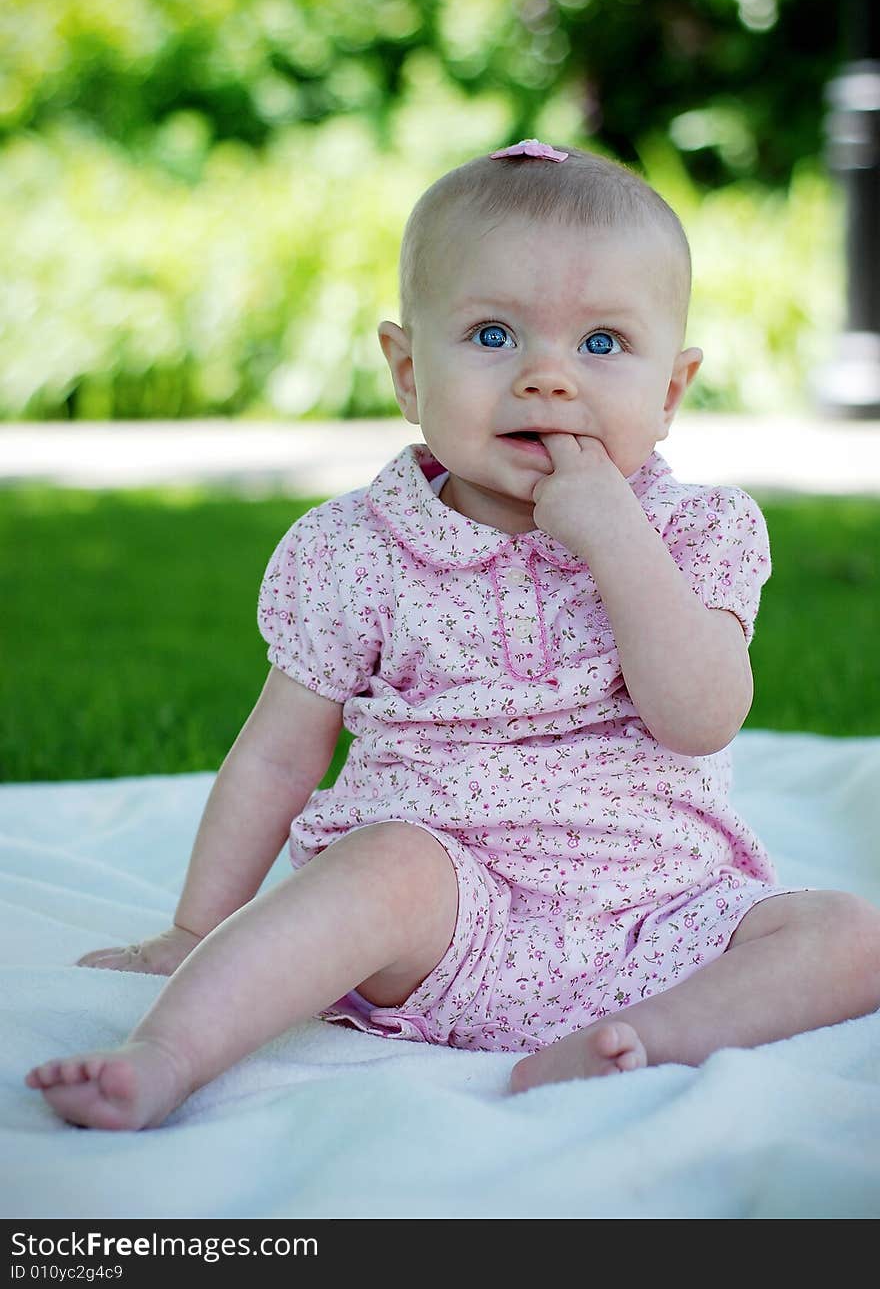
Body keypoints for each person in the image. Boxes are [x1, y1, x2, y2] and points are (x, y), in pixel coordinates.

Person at [26, 139, 880, 1129]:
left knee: (846, 932)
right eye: (491, 334)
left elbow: (700, 715)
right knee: (376, 867)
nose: (548, 379)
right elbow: (275, 757)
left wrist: (613, 537)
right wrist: (193, 925)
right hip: (446, 909)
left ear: (672, 391)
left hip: (661, 920)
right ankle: (166, 1055)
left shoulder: (699, 533)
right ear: (405, 369)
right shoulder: (358, 547)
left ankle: (639, 1041)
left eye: (600, 344)